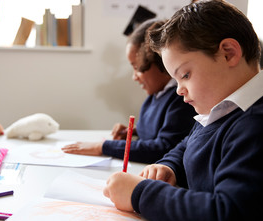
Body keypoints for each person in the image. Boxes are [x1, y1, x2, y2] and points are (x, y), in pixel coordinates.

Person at [103, 1, 263, 221]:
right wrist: (169, 167)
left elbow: (230, 219)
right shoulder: (221, 112)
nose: (179, 90)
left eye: (185, 75)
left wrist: (140, 193)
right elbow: (187, 144)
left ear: (228, 53)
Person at [62, 19, 196, 164]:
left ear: (158, 60)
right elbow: (154, 131)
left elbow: (163, 147)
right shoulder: (155, 96)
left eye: (137, 67)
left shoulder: (180, 99)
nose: (134, 77)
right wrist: (133, 131)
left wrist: (103, 146)